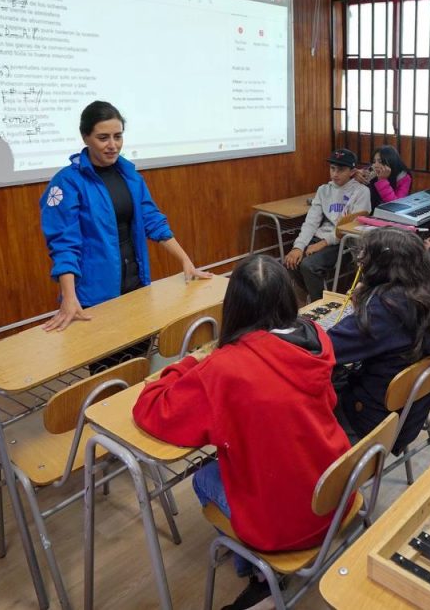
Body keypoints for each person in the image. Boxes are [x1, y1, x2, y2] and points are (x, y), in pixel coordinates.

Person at [132, 254, 351, 609]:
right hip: (335, 493)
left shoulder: (226, 367)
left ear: (234, 305)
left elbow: (153, 410)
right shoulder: (317, 338)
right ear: (287, 298)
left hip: (287, 526)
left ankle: (261, 576)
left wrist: (188, 364)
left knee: (204, 477)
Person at [39, 100, 210, 331]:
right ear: (85, 137)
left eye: (118, 136)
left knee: (140, 357)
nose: (112, 145)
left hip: (135, 285)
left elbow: (153, 221)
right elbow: (64, 245)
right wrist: (69, 298)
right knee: (109, 364)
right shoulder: (67, 182)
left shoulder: (130, 175)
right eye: (103, 138)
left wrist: (186, 261)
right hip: (95, 296)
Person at [327, 227, 430, 452]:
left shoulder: (384, 310)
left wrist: (361, 306)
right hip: (412, 415)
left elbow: (327, 347)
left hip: (374, 422)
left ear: (380, 267)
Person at [283, 148, 371, 301]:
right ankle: (316, 296)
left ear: (352, 172)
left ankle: (320, 304)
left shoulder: (361, 192)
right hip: (320, 238)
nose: (335, 174)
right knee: (290, 261)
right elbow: (311, 221)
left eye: (341, 169)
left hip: (343, 242)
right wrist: (298, 246)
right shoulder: (323, 190)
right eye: (332, 168)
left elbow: (349, 229)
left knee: (308, 266)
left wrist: (323, 243)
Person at [354, 144, 413, 209]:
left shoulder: (404, 177)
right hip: (370, 210)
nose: (375, 165)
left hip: (390, 214)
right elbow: (358, 175)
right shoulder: (373, 169)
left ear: (391, 162)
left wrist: (382, 180)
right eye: (374, 161)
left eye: (380, 161)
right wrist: (356, 176)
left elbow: (396, 205)